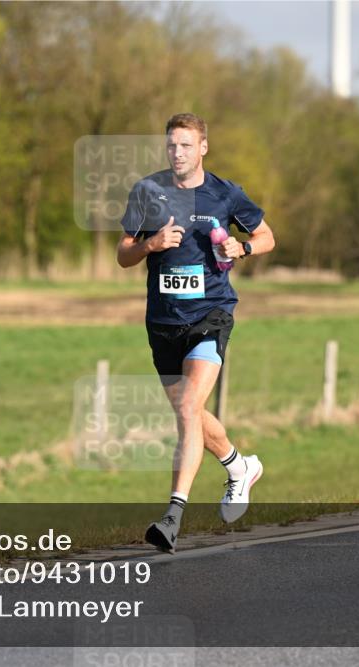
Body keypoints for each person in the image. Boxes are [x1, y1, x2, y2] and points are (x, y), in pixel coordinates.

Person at [116, 113, 276, 553]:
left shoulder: (226, 194)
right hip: (163, 321)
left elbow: (266, 236)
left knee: (188, 406)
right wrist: (150, 244)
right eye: (171, 145)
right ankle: (240, 467)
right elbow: (123, 254)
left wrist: (242, 247)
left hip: (211, 314)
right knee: (190, 413)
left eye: (186, 145)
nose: (177, 152)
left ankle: (172, 516)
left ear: (203, 147)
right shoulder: (148, 192)